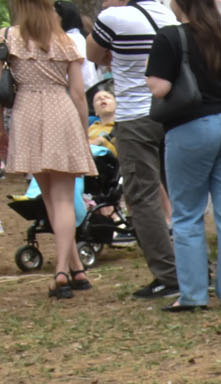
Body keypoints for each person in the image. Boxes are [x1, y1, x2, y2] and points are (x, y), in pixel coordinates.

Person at [144, 0, 221, 311]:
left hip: (191, 127)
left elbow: (159, 88)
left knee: (187, 213)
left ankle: (193, 294)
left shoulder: (170, 37)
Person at [2, 0, 97, 298]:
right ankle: (69, 270)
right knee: (63, 199)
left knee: (49, 197)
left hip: (26, 113)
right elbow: (79, 94)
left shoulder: (8, 37)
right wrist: (83, 133)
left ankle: (68, 270)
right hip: (61, 112)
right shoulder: (66, 42)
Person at [87, 0, 179, 300]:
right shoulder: (167, 13)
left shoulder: (113, 17)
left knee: (142, 197)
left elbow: (92, 54)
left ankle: (169, 275)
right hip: (171, 112)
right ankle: (194, 267)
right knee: (179, 195)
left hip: (134, 117)